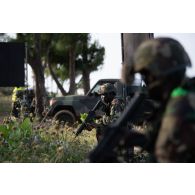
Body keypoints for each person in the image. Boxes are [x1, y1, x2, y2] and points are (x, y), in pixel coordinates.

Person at [122, 37, 195, 162]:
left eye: (146, 75)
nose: (147, 83)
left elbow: (166, 158)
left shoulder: (181, 105)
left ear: (157, 73)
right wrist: (144, 140)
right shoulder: (187, 93)